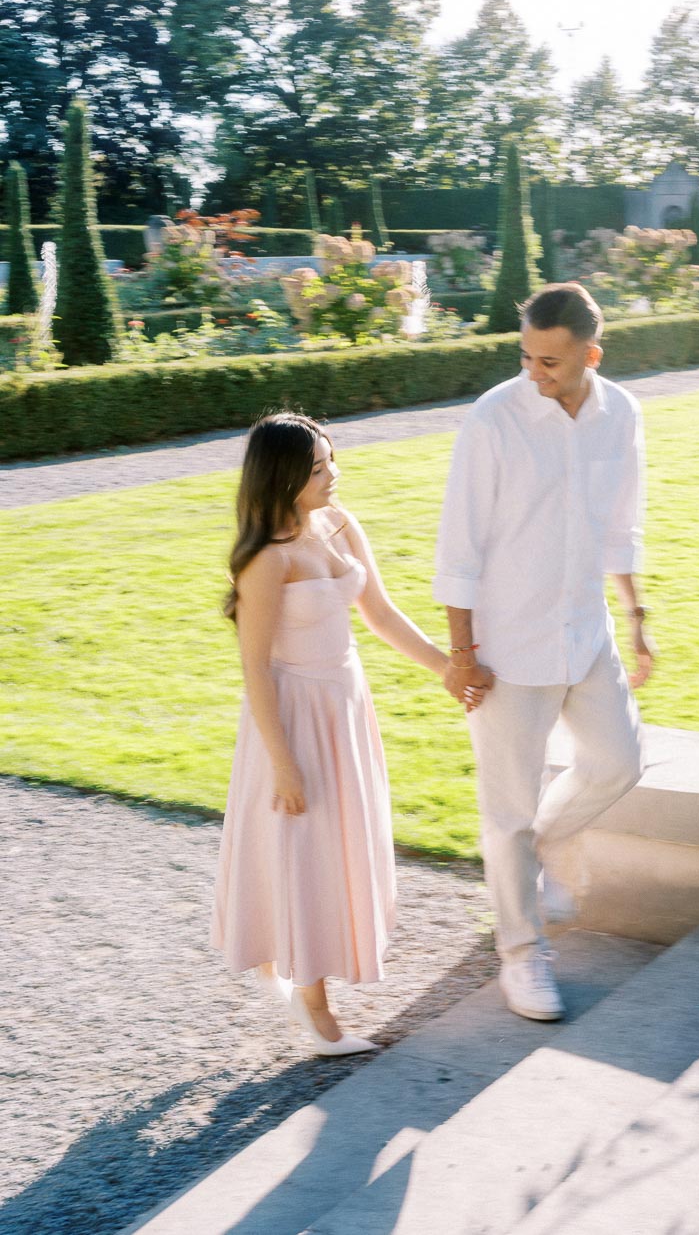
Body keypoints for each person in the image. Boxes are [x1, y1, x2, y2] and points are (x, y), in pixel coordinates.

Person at [434, 282, 654, 1022]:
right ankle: (522, 957)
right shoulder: (494, 419)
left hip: (583, 631)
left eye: (552, 361)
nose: (536, 372)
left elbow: (620, 526)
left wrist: (637, 618)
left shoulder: (620, 413)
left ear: (591, 354)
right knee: (507, 814)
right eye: (527, 357)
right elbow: (458, 548)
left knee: (619, 761)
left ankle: (546, 849)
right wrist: (461, 654)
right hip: (506, 646)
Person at [212, 411, 464, 1055]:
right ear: (284, 477)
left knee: (336, 842)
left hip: (345, 706)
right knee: (308, 848)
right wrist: (283, 763)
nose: (333, 473)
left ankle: (286, 961)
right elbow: (256, 672)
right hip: (291, 714)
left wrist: (448, 667)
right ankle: (313, 1003)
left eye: (331, 459)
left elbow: (379, 613)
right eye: (318, 467)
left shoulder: (342, 523)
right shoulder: (265, 562)